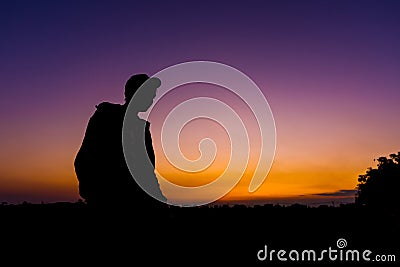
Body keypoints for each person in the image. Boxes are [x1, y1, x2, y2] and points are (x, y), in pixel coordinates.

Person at [74, 74, 167, 209]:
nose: (153, 97)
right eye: (149, 93)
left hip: (138, 204)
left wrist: (159, 200)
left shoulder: (142, 128)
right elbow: (83, 159)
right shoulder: (105, 117)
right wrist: (95, 195)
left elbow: (147, 171)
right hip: (109, 202)